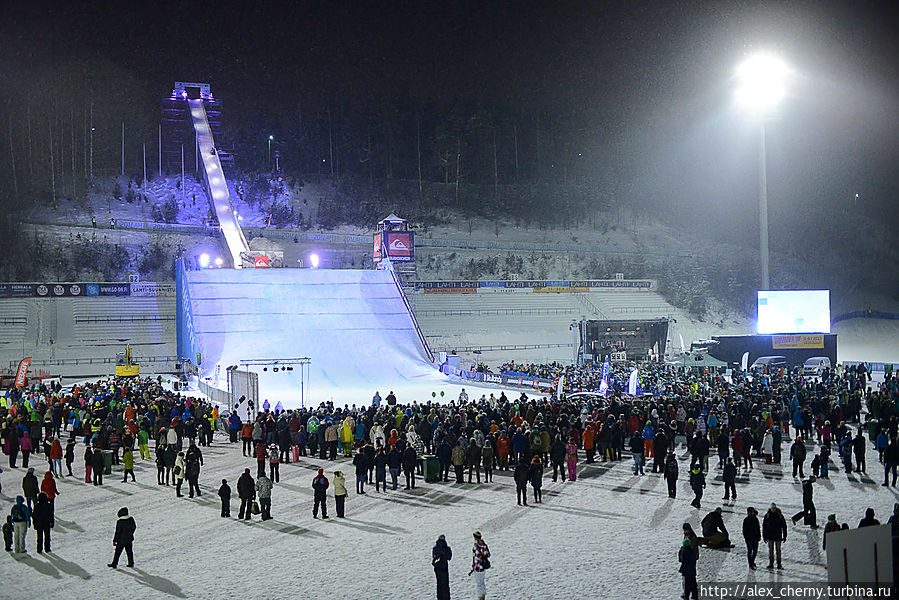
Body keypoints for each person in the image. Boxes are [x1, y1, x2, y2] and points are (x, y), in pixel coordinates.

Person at [763, 503, 787, 569]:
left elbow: (784, 526)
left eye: (774, 508)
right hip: (770, 536)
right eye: (772, 508)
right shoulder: (767, 516)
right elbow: (764, 526)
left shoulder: (780, 515)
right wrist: (764, 536)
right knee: (771, 550)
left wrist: (785, 535)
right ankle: (771, 563)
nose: (773, 509)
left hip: (778, 536)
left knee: (778, 550)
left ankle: (779, 563)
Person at [470, 531, 490, 600]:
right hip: (483, 567)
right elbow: (488, 554)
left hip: (478, 568)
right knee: (482, 582)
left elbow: (476, 557)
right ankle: (483, 596)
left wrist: (474, 567)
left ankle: (480, 598)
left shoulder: (476, 546)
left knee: (479, 584)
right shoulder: (484, 545)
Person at [432, 534, 453, 600]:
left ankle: (439, 598)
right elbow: (449, 557)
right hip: (444, 568)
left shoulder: (435, 548)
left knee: (439, 584)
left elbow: (434, 557)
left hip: (437, 568)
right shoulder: (447, 548)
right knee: (445, 585)